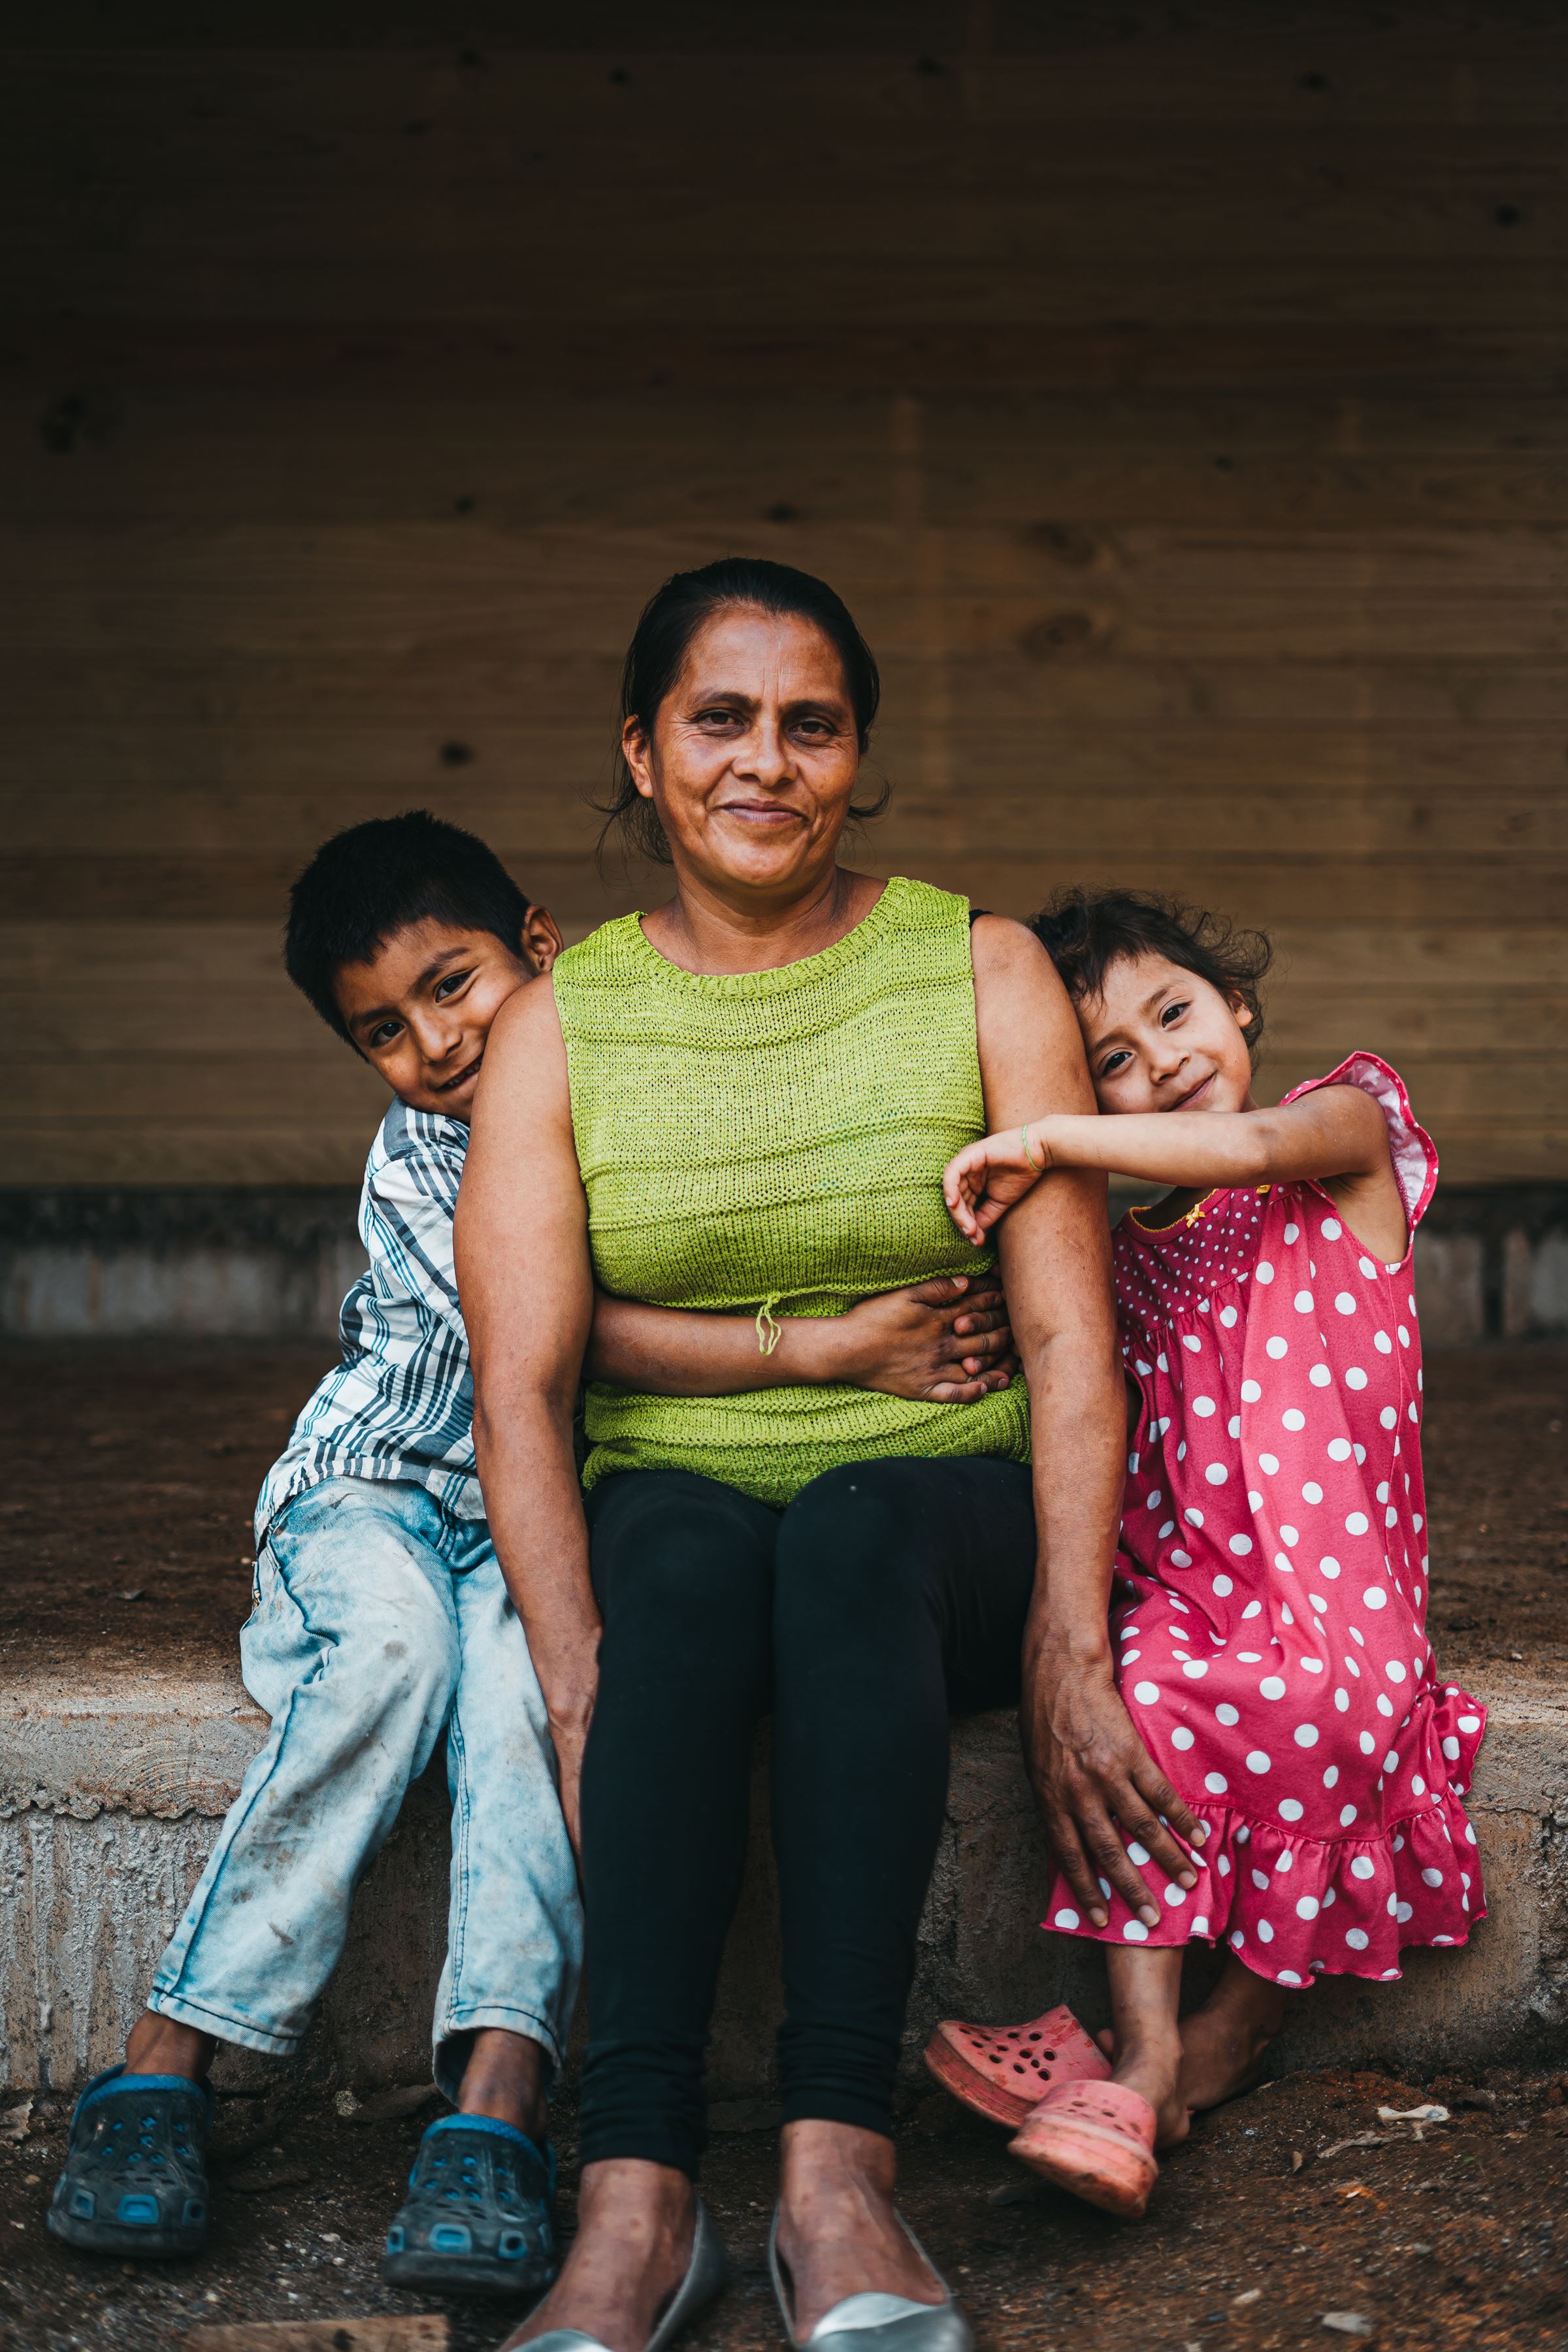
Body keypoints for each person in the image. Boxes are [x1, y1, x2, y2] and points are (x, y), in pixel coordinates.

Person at [46, 809, 1018, 2296]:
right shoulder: (429, 1154)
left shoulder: (596, 1070)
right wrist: (828, 1345)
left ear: (540, 955)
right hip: (374, 1494)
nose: (433, 1043)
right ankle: (165, 2063)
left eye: (454, 985)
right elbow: (553, 1337)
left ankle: (494, 2106)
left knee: (534, 1698)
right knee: (391, 1661)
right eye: (382, 1027)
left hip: (524, 1509)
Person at [456, 559, 1186, 2352]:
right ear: (640, 754)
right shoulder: (561, 1024)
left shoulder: (979, 964)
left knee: (850, 1532)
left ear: (856, 755)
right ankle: (634, 2201)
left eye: (811, 723)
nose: (763, 762)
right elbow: (521, 1384)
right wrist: (571, 1682)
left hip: (940, 1502)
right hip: (675, 1495)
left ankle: (835, 2181)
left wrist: (1073, 1639)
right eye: (719, 719)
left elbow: (1074, 1331)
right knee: (696, 1568)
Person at [933, 887, 1486, 2220]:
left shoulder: (1343, 1134)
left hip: (1345, 1622)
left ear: (1236, 1007)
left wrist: (1047, 1132)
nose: (1160, 1059)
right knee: (1139, 1704)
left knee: (1340, 1720)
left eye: (1173, 1012)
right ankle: (1156, 2067)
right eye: (1109, 1061)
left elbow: (1245, 1148)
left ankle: (1169, 2062)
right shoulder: (1128, 1267)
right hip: (1196, 1603)